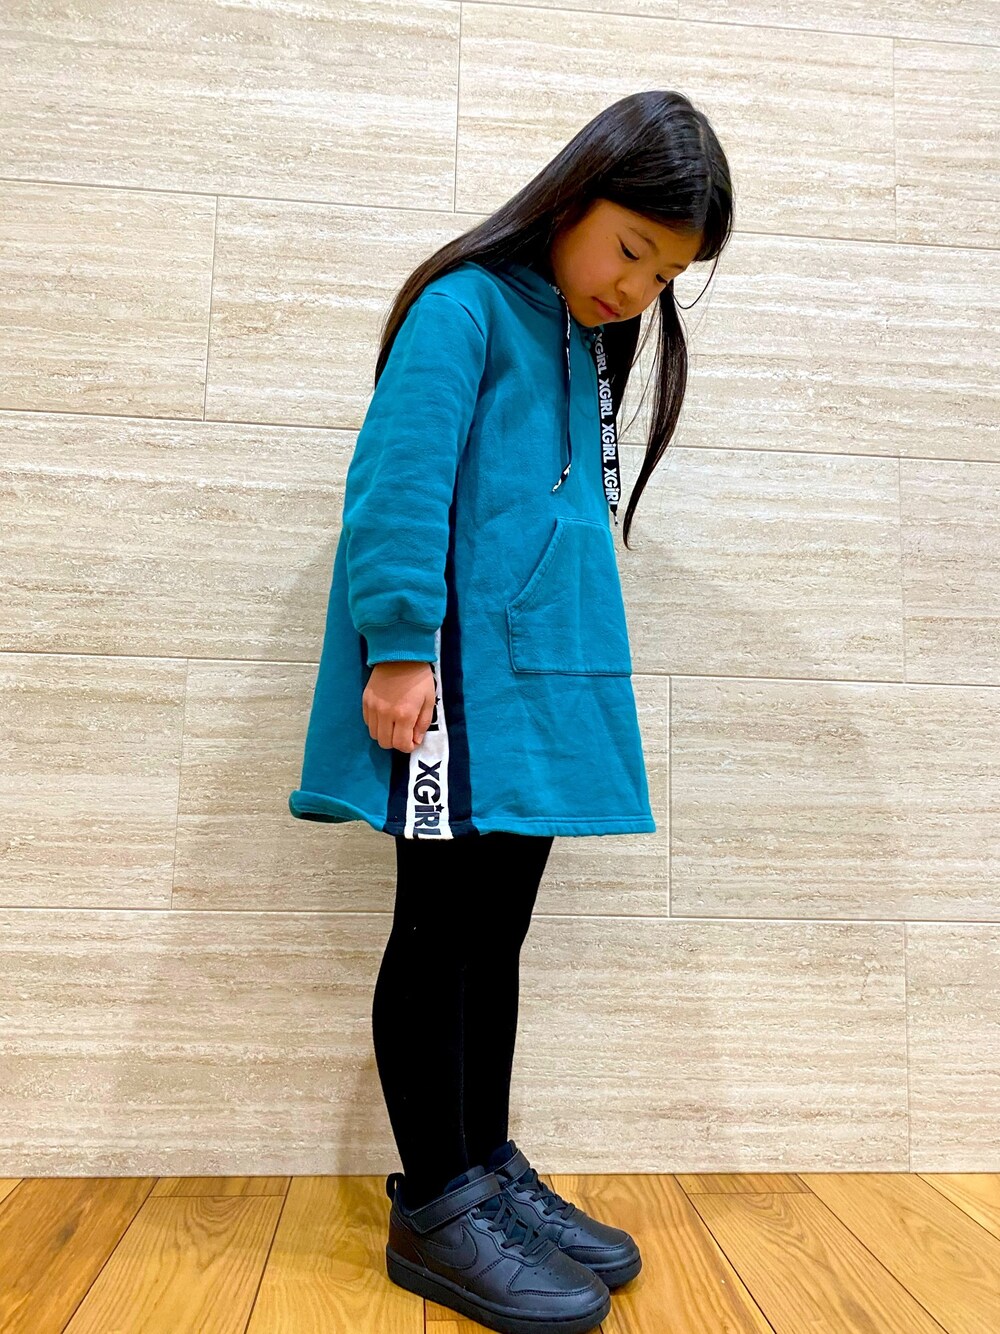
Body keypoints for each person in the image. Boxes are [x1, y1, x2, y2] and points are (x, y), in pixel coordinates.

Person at [289, 90, 733, 1334]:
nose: (634, 289)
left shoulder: (580, 344)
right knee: (439, 932)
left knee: (497, 935)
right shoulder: (466, 306)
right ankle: (437, 1201)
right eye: (630, 250)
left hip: (537, 694)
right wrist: (396, 644)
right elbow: (399, 475)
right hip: (456, 687)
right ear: (573, 196)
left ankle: (483, 1168)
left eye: (663, 276)